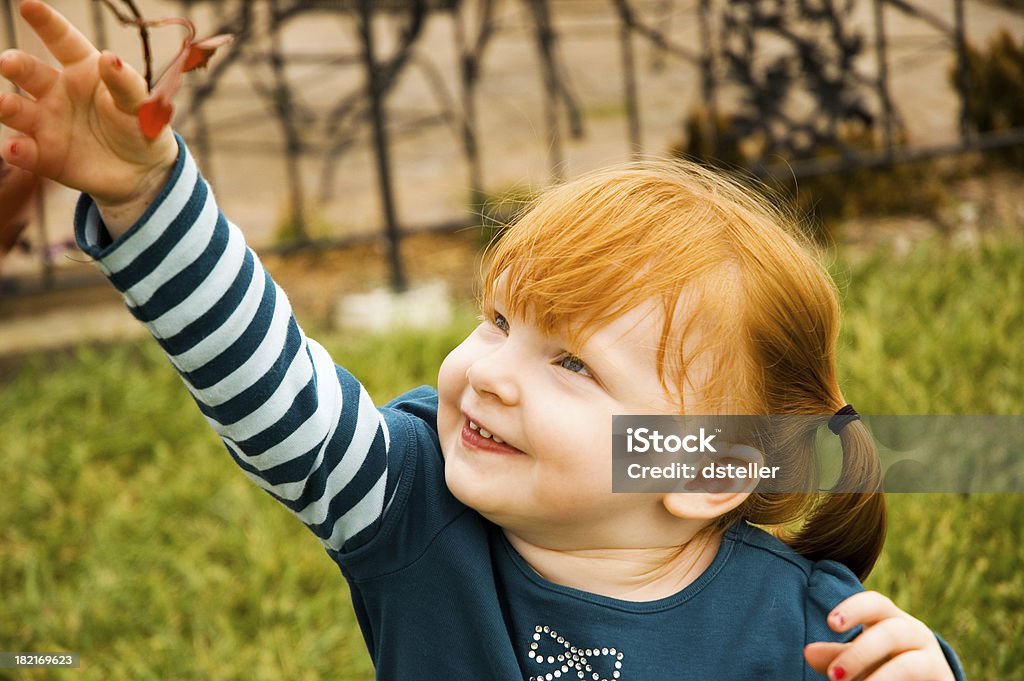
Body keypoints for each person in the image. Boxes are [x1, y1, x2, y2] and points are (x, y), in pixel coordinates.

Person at [0, 2, 964, 679]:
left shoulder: (808, 628)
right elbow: (264, 376)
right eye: (500, 320)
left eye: (572, 362)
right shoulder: (410, 505)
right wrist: (143, 194)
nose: (491, 374)